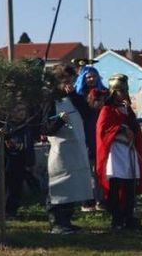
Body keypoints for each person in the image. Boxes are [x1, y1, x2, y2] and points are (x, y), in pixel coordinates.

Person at [95, 74, 142, 230]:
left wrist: (132, 129)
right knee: (115, 186)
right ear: (114, 92)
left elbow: (134, 127)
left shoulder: (127, 108)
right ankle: (117, 220)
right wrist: (121, 129)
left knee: (130, 186)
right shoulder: (107, 109)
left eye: (125, 90)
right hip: (114, 153)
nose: (123, 93)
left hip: (129, 151)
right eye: (120, 91)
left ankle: (128, 217)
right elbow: (103, 129)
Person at [42, 65, 94, 234]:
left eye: (71, 81)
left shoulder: (74, 98)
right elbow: (45, 128)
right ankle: (56, 222)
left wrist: (72, 94)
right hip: (60, 152)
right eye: (65, 82)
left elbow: (87, 113)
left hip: (76, 149)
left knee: (72, 186)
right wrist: (59, 121)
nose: (68, 85)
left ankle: (67, 220)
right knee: (58, 185)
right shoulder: (50, 100)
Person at [73, 65, 108, 211]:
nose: (91, 79)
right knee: (86, 171)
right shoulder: (79, 95)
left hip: (99, 133)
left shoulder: (105, 93)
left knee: (100, 170)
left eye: (94, 76)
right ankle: (87, 201)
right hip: (85, 133)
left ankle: (101, 199)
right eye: (88, 77)